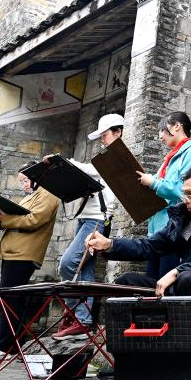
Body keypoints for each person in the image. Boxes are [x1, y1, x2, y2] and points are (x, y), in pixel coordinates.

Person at [84, 164, 191, 315]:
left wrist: (178, 271)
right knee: (125, 282)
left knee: (187, 279)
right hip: (181, 289)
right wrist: (109, 244)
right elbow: (150, 246)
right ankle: (133, 336)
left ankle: (178, 335)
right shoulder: (184, 217)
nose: (186, 200)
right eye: (184, 194)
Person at [45, 113, 121, 340]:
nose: (102, 140)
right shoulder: (107, 156)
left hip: (97, 219)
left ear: (118, 132)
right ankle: (83, 320)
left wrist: (62, 161)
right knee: (84, 271)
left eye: (105, 135)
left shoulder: (118, 156)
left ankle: (75, 315)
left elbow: (91, 170)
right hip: (86, 218)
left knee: (68, 264)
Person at [0, 166, 60, 363]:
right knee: (14, 300)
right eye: (20, 181)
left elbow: (35, 219)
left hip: (23, 253)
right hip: (13, 251)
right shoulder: (33, 195)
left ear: (36, 177)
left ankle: (0, 347)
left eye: (24, 180)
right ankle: (16, 345)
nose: (22, 185)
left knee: (8, 298)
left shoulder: (48, 193)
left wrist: (6, 219)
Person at [137, 111, 191, 279]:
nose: (160, 136)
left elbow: (186, 191)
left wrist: (153, 183)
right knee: (151, 284)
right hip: (158, 232)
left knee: (165, 284)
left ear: (177, 126)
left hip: (174, 231)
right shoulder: (171, 157)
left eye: (162, 130)